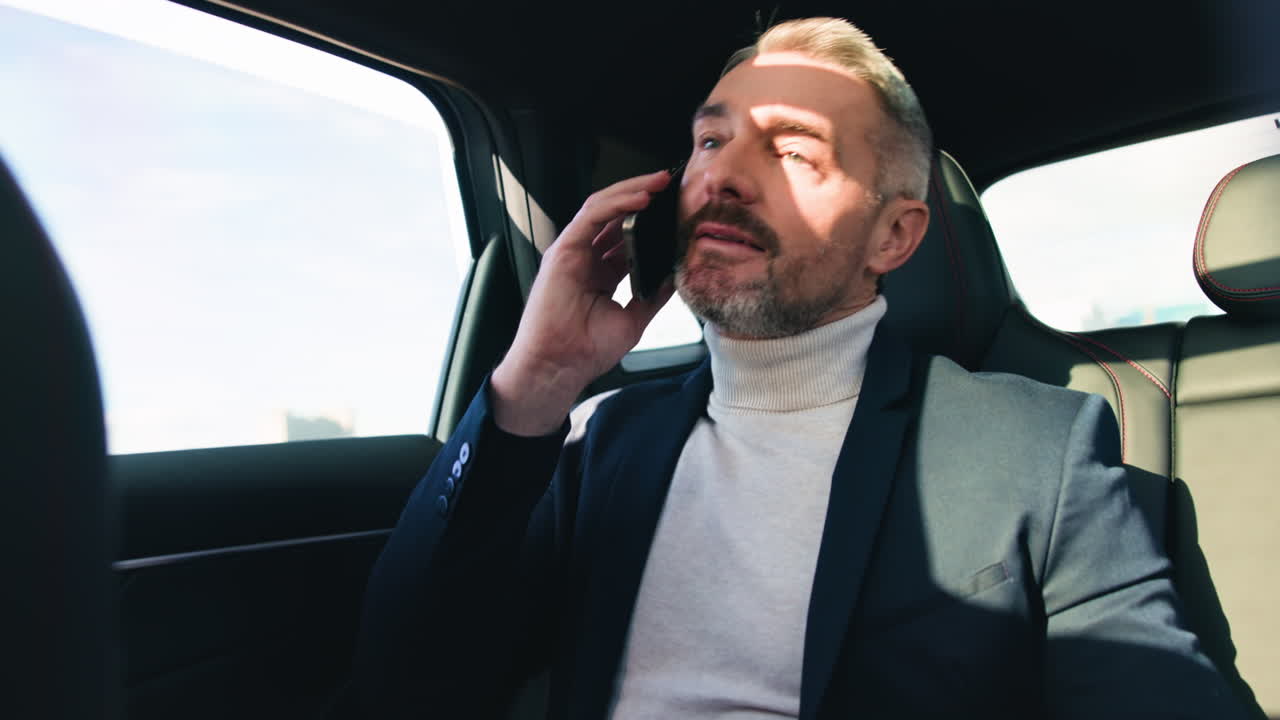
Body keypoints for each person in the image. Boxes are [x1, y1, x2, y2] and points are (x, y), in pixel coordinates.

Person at [337, 17, 1244, 720]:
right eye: (710, 140)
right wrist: (531, 388)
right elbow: (412, 682)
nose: (723, 176)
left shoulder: (1037, 450)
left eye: (792, 150)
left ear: (894, 234)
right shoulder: (600, 438)